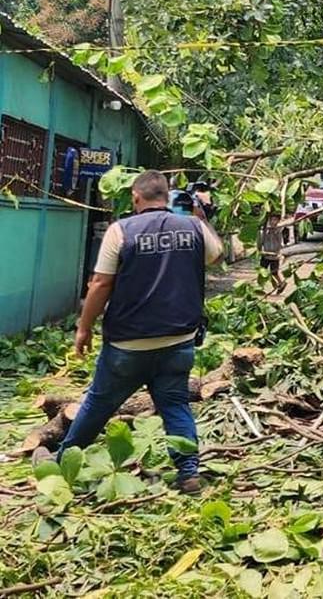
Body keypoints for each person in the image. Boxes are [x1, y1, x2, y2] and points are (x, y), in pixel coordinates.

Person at [47, 170, 223, 493]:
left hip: (128, 344)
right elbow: (216, 254)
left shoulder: (120, 231)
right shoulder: (194, 227)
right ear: (166, 196)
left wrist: (84, 328)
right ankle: (188, 473)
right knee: (175, 405)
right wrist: (200, 216)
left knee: (98, 406)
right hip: (178, 340)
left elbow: (100, 284)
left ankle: (61, 465)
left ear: (136, 198)